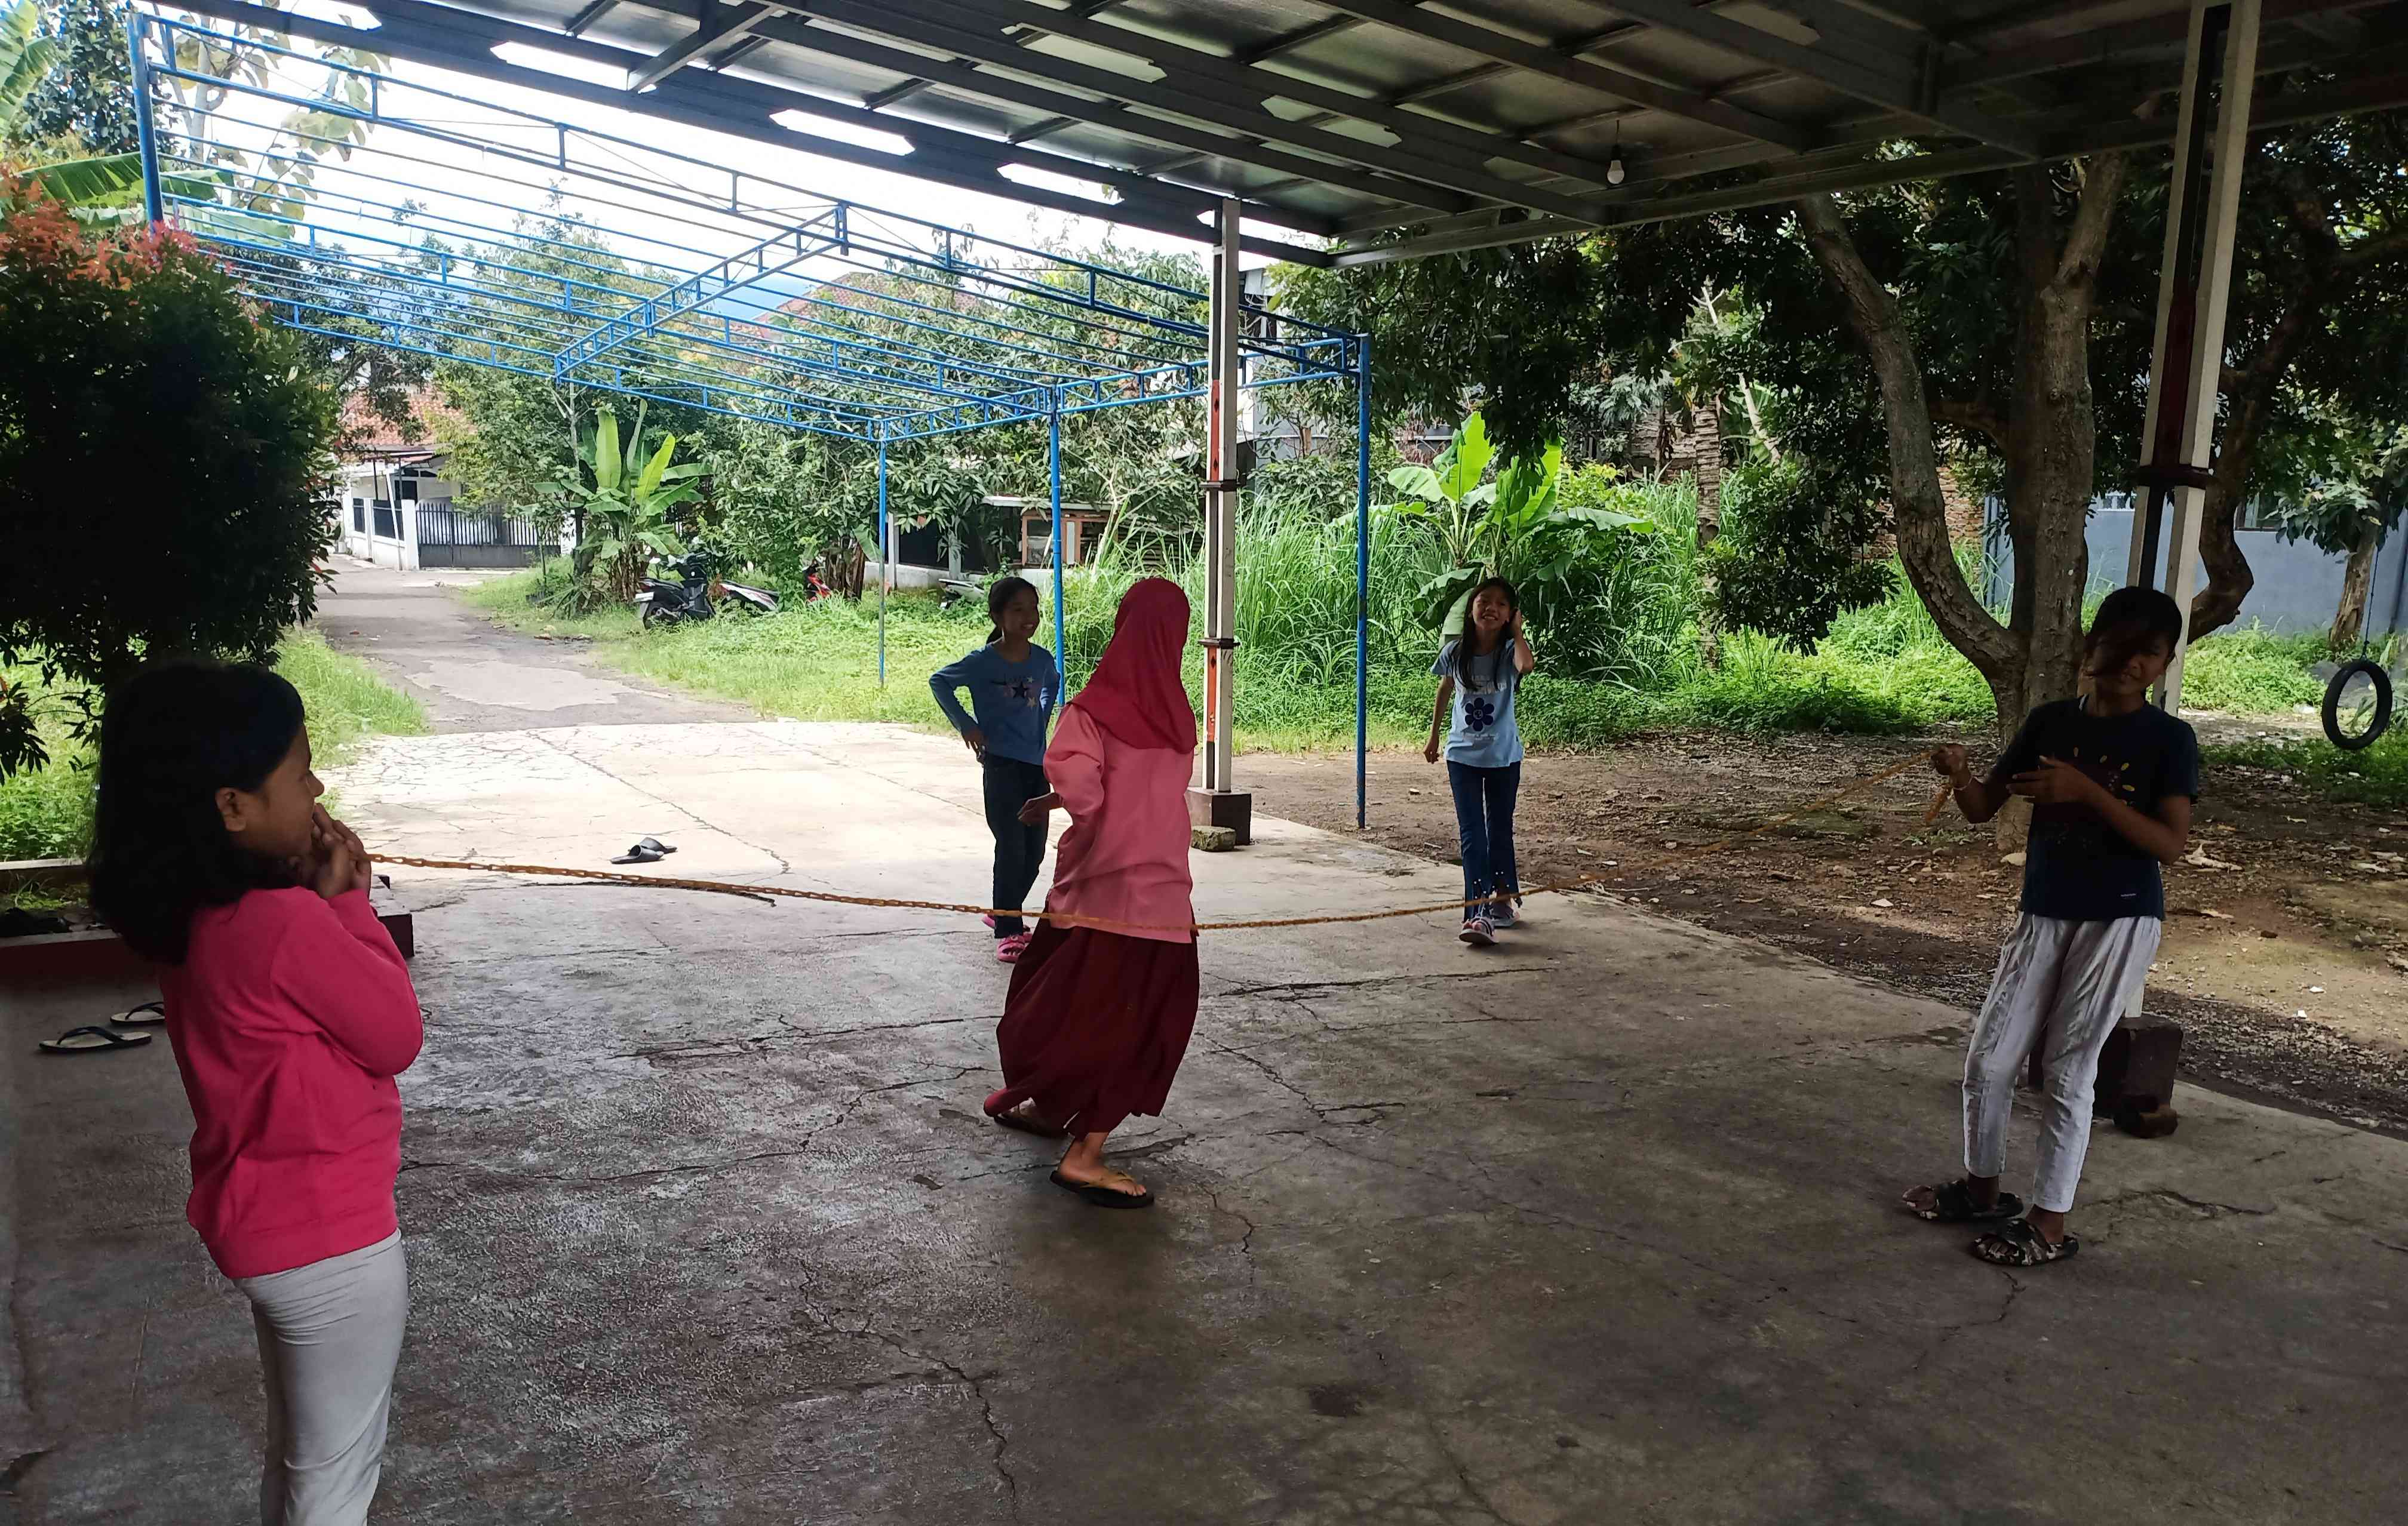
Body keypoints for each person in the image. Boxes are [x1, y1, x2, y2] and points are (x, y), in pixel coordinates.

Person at [88, 660, 424, 1525]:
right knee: (335, 1479)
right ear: (232, 807)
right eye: (300, 768)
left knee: (305, 1460)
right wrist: (349, 906)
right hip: (333, 1242)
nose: (317, 787)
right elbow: (395, 1037)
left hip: (264, 1230)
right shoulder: (285, 924)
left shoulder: (194, 919)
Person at [1905, 587, 2198, 1268]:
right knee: (1991, 1058)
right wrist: (1960, 775)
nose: (2129, 663)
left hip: (2120, 916)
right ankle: (1983, 1191)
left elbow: (2169, 844)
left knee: (2068, 1067)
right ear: (2092, 645)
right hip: (2045, 909)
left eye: (2148, 653)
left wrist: (2088, 794)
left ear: (2164, 663)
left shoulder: (2167, 740)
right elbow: (1983, 808)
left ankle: (2049, 1224)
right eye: (2120, 645)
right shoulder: (2051, 722)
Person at [981, 577, 1200, 1208]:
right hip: (1157, 900)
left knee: (1061, 1005)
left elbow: (1094, 796)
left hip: (1092, 895)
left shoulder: (1091, 709)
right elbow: (1146, 794)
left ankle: (1053, 1111)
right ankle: (1085, 1155)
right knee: (1143, 1028)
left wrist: (1062, 798)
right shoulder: (1177, 715)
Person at [930, 576, 1061, 963]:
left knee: (1035, 852)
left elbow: (1051, 687)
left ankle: (1002, 910)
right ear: (997, 615)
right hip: (1002, 765)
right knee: (1011, 846)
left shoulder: (1042, 659)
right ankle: (1008, 928)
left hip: (1035, 765)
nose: (1029, 618)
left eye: (1033, 609)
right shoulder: (983, 661)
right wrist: (966, 724)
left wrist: (1040, 724)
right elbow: (940, 682)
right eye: (1018, 610)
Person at [1424, 577, 1536, 947]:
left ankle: (1503, 899)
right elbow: (1445, 689)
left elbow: (1527, 665)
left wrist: (1518, 632)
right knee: (1473, 834)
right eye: (1484, 601)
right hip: (1462, 757)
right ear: (1471, 608)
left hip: (1504, 757)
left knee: (1499, 830)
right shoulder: (1455, 652)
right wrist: (1435, 736)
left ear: (1510, 615)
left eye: (1502, 605)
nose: (1491, 608)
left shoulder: (1509, 653)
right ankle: (1478, 914)